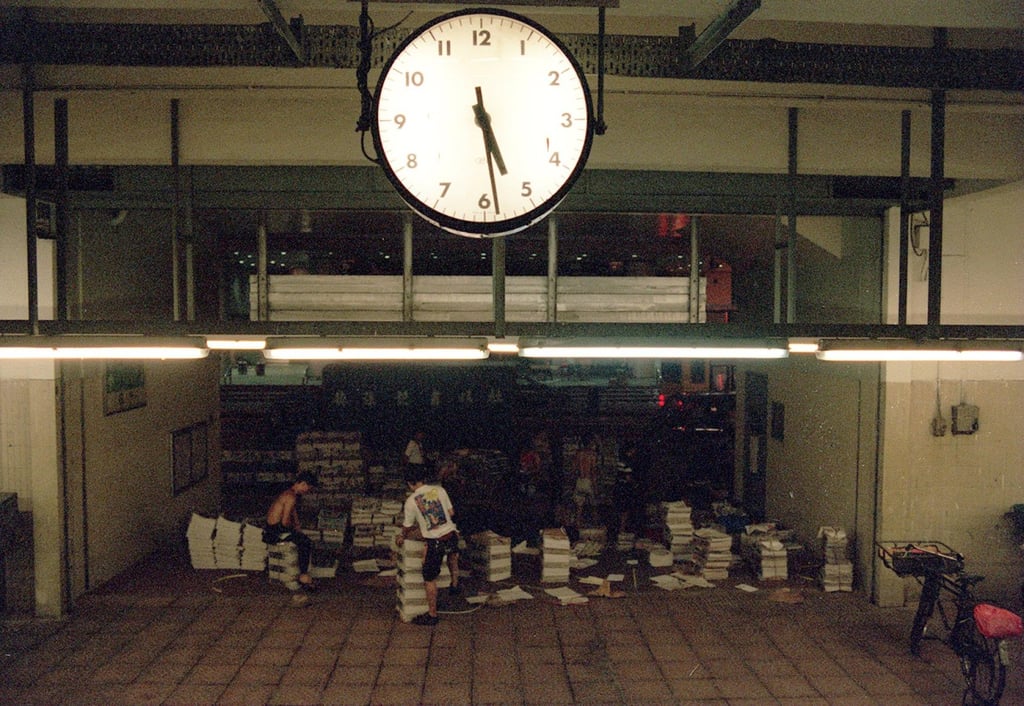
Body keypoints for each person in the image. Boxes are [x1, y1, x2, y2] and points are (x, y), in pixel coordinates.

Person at [396, 463, 460, 626]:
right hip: (451, 535)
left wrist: (402, 536)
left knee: (429, 577)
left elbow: (408, 526)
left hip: (436, 542)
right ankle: (455, 584)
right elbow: (451, 513)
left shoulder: (411, 501)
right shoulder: (440, 490)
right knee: (453, 557)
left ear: (410, 483)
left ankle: (432, 615)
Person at [264, 471, 318, 590]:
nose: (307, 491)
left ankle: (302, 574)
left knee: (301, 537)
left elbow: (293, 513)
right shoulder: (291, 496)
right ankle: (303, 576)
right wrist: (295, 530)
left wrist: (297, 526)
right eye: (308, 488)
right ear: (303, 484)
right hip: (275, 531)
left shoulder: (289, 493)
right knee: (305, 542)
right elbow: (285, 522)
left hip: (273, 528)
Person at [571, 433, 600, 526]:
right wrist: (595, 486)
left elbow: (574, 469)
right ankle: (595, 525)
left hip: (580, 480)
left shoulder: (578, 454)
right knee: (594, 505)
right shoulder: (592, 454)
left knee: (579, 506)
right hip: (589, 480)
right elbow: (593, 471)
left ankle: (578, 524)